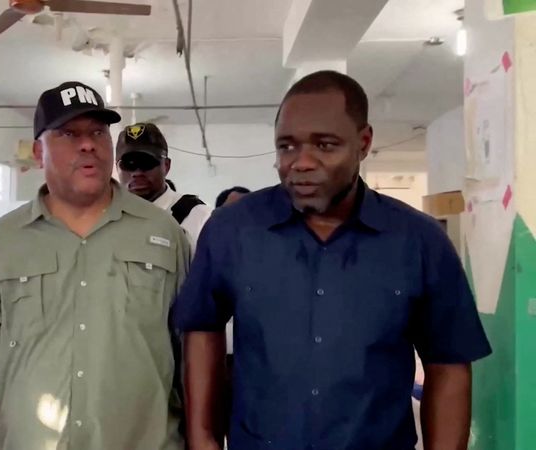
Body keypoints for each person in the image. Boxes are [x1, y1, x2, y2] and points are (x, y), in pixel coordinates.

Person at [173, 71, 491, 450]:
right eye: (287, 147)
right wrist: (203, 440)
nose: (301, 162)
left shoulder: (420, 242)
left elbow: (449, 365)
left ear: (364, 142)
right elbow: (202, 330)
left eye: (325, 145)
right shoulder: (231, 231)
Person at [0, 82, 190, 450]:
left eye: (97, 132)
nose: (87, 143)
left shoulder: (164, 234)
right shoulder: (4, 241)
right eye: (68, 133)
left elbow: (193, 356)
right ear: (39, 153)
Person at [116, 122, 212, 255]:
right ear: (117, 168)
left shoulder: (198, 218)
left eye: (146, 162)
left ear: (166, 166)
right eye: (128, 164)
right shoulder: (106, 217)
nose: (137, 173)